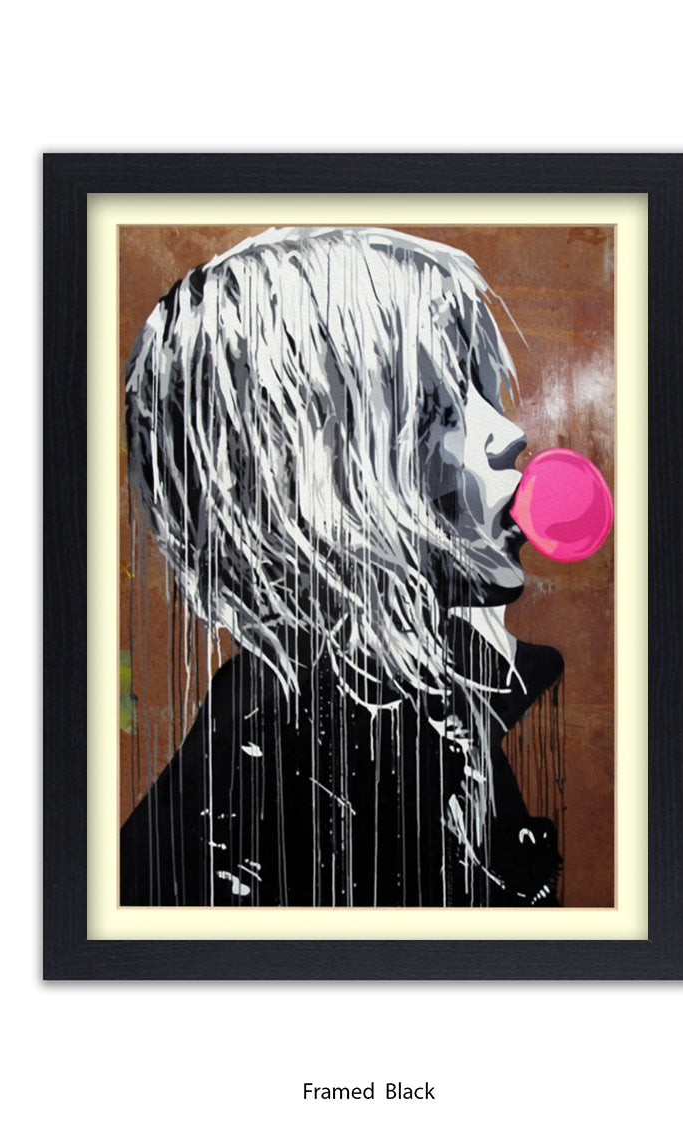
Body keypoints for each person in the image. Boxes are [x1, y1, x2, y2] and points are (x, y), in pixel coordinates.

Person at [120, 227, 563, 907]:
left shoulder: (430, 715)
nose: (510, 435)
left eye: (482, 395)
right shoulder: (269, 769)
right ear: (308, 477)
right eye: (441, 409)